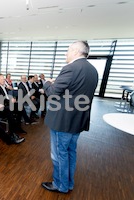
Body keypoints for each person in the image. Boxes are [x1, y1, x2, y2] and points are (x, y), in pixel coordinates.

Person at [41, 41, 98, 193]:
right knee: (71, 152)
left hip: (63, 121)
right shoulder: (92, 70)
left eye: (67, 50)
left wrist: (47, 83)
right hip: (78, 120)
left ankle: (60, 185)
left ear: (75, 51)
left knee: (59, 154)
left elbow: (52, 93)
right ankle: (69, 183)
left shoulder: (70, 68)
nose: (66, 54)